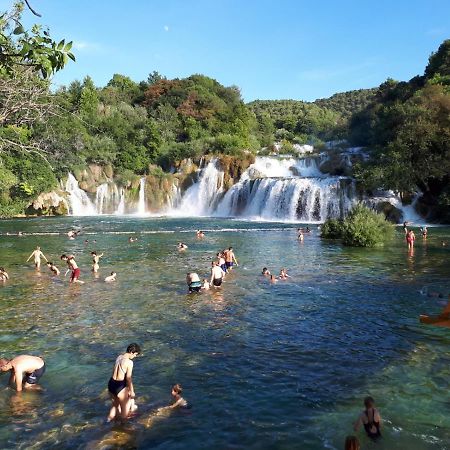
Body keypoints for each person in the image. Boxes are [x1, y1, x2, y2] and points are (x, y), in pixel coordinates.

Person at [107, 343, 141, 422]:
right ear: (132, 352)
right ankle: (121, 430)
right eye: (135, 354)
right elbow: (128, 378)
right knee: (124, 413)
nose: (135, 357)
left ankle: (107, 423)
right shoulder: (129, 362)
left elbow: (113, 371)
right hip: (120, 385)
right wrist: (132, 391)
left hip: (111, 383)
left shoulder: (119, 357)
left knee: (114, 407)